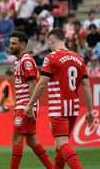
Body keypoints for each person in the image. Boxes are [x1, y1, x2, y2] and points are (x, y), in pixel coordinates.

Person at [25, 28, 94, 169]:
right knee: (60, 145)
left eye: (48, 42)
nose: (49, 45)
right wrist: (89, 110)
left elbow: (42, 83)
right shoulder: (79, 58)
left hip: (59, 107)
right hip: (73, 108)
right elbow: (86, 86)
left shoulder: (51, 57)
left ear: (51, 40)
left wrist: (30, 104)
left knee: (61, 142)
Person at [9, 31, 53, 169]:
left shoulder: (26, 60)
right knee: (31, 140)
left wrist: (30, 107)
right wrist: (16, 107)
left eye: (13, 43)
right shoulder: (19, 61)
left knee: (16, 139)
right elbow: (19, 86)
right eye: (10, 43)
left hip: (26, 106)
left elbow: (33, 85)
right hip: (22, 105)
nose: (10, 46)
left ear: (22, 45)